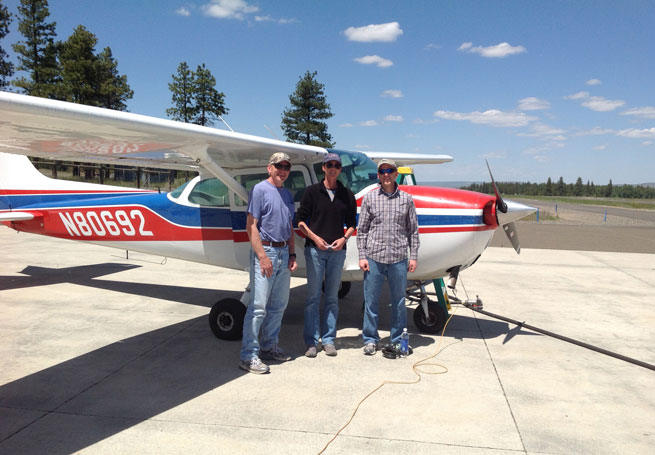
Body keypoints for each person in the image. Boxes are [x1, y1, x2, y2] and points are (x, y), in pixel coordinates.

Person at [239, 152, 298, 374]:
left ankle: (268, 346)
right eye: (279, 166)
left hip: (283, 253)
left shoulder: (286, 194)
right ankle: (248, 355)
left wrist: (292, 254)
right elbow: (251, 225)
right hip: (267, 251)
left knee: (279, 305)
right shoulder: (260, 190)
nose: (283, 170)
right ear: (269, 168)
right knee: (258, 307)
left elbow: (289, 227)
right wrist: (262, 256)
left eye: (286, 167)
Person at [356, 159, 419, 356]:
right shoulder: (370, 198)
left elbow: (413, 231)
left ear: (396, 174)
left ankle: (398, 339)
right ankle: (370, 339)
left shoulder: (407, 199)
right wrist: (362, 255)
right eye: (382, 171)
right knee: (371, 300)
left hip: (399, 257)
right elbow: (362, 230)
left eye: (390, 170)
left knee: (399, 301)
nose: (386, 174)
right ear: (378, 175)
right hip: (374, 256)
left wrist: (413, 256)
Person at [297, 153, 357, 358]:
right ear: (323, 168)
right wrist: (315, 238)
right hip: (315, 251)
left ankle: (329, 339)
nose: (333, 168)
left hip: (337, 252)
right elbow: (300, 221)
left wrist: (344, 239)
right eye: (329, 165)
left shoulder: (347, 195)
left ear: (340, 169)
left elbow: (351, 224)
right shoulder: (312, 192)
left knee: (332, 297)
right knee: (313, 297)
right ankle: (312, 342)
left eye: (337, 166)